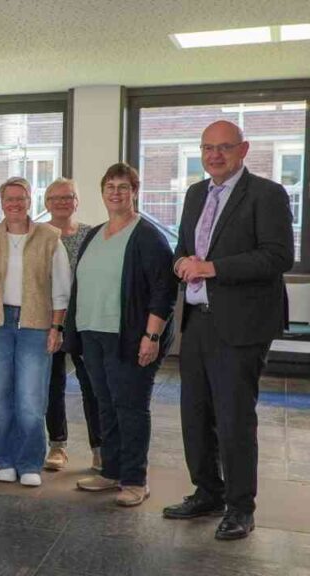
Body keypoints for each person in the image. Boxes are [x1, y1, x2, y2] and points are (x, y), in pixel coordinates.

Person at [163, 121, 294, 540]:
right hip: (197, 321)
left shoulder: (267, 194)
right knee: (195, 414)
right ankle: (208, 492)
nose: (214, 155)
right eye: (207, 148)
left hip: (241, 325)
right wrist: (181, 262)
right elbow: (184, 248)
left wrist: (211, 268)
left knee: (234, 418)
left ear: (244, 149)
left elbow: (278, 257)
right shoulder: (195, 194)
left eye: (224, 147)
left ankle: (240, 508)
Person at [64, 163, 176, 507]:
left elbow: (164, 291)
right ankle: (111, 470)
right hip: (92, 333)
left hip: (128, 337)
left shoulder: (147, 236)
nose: (115, 192)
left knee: (130, 407)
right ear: (102, 192)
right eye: (110, 186)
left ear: (135, 192)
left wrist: (151, 337)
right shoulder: (95, 234)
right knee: (105, 404)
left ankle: (135, 480)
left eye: (123, 187)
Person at [0, 177, 71, 487]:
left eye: (21, 198)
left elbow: (61, 288)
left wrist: (56, 327)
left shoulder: (49, 237)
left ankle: (29, 463)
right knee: (0, 400)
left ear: (30, 201)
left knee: (30, 400)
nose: (15, 204)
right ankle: (4, 459)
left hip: (36, 325)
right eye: (9, 199)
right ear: (1, 203)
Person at [41, 178, 102, 473]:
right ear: (46, 203)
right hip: (49, 319)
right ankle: (57, 445)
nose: (62, 202)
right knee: (53, 384)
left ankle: (100, 449)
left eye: (68, 197)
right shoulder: (39, 235)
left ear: (77, 202)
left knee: (92, 384)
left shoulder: (93, 235)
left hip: (85, 319)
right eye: (56, 198)